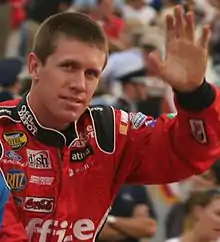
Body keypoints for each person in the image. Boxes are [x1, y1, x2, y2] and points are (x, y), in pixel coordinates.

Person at [0, 5, 220, 241]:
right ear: (34, 66)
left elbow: (188, 152)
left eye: (91, 74)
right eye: (69, 67)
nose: (80, 85)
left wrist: (195, 95)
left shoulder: (110, 133)